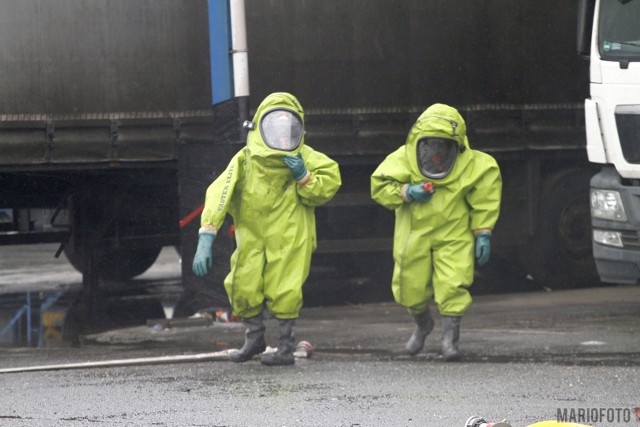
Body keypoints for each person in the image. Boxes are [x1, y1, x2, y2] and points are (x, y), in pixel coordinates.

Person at [192, 92, 341, 366]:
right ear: (261, 127)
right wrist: (207, 233)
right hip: (252, 237)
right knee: (242, 285)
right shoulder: (246, 160)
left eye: (288, 129)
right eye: (275, 128)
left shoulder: (306, 157)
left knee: (286, 289)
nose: (282, 137)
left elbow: (328, 186)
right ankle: (255, 338)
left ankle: (285, 346)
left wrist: (304, 177)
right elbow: (219, 193)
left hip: (291, 237)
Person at [370, 103, 501, 361]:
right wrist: (407, 191)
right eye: (431, 147)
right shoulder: (402, 159)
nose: (437, 155)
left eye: (444, 147)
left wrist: (483, 232)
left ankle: (450, 338)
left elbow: (485, 198)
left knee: (453, 283)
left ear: (458, 146)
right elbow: (379, 186)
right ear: (418, 142)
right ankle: (422, 324)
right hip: (414, 234)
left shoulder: (476, 166)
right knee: (409, 287)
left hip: (454, 235)